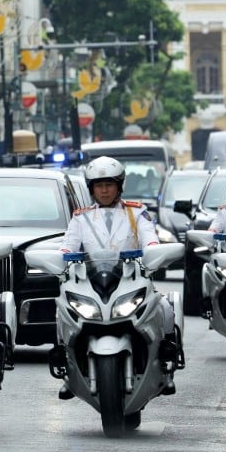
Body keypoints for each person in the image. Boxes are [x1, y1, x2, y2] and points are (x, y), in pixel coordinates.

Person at [58, 155, 181, 397]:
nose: (104, 190)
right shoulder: (80, 217)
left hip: (131, 280)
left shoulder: (137, 213)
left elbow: (151, 241)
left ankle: (167, 369)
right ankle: (67, 371)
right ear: (92, 189)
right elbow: (68, 246)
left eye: (109, 185)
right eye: (99, 186)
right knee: (62, 309)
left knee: (165, 308)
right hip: (91, 283)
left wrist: (154, 253)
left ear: (119, 186)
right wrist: (61, 258)